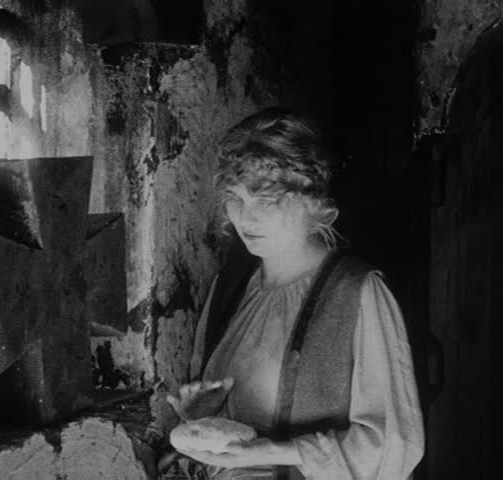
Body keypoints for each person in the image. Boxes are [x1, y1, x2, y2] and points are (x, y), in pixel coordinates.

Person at [166, 108, 424, 480]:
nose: (246, 218)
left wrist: (274, 452)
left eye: (266, 201)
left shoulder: (357, 291)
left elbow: (393, 443)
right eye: (236, 198)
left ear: (312, 201)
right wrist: (203, 415)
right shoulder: (230, 286)